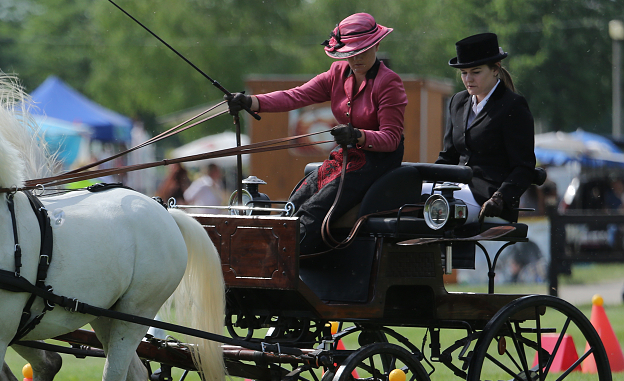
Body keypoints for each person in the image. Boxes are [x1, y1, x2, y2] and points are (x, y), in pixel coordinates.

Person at [227, 13, 407, 253]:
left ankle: (289, 264)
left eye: (362, 51)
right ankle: (269, 260)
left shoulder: (389, 82)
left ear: (377, 45)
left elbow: (392, 138)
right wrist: (252, 101)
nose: (355, 58)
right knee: (294, 205)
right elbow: (296, 95)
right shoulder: (337, 73)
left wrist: (358, 136)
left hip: (378, 162)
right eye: (350, 52)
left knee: (313, 213)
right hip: (346, 156)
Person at [435, 33, 536, 224]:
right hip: (456, 188)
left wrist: (500, 197)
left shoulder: (513, 105)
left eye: (476, 72)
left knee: (436, 207)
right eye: (464, 72)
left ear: (495, 69)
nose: (468, 79)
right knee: (408, 198)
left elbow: (524, 166)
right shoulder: (457, 102)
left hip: (489, 199)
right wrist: (423, 179)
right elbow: (448, 156)